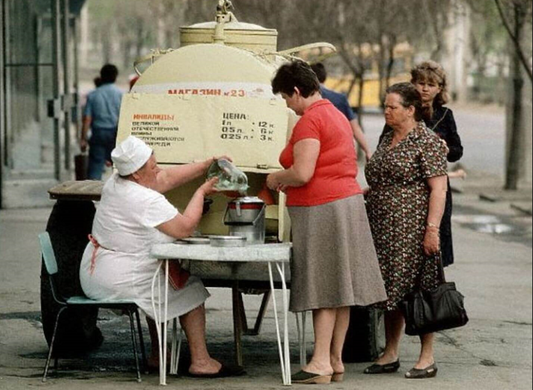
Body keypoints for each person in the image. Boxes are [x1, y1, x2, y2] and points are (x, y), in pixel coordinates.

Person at [79, 136, 244, 378]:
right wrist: (201, 192)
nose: (158, 171)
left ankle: (159, 355)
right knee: (190, 288)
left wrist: (207, 163)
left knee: (158, 287)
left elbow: (165, 178)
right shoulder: (144, 199)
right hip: (117, 278)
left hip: (96, 272)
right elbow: (185, 228)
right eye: (153, 167)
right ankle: (201, 361)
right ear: (136, 173)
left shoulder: (116, 182)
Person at [266, 60, 387, 385]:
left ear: (296, 90)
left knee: (322, 286)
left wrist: (277, 177)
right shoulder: (335, 113)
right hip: (346, 203)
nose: (287, 106)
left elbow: (303, 172)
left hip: (321, 208)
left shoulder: (310, 121)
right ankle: (335, 359)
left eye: (286, 98)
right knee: (340, 287)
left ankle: (319, 361)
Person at [364, 82, 448, 379]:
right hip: (382, 227)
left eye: (392, 107)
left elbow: (439, 189)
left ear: (410, 110)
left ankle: (427, 357)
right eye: (385, 106)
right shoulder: (387, 137)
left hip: (412, 229)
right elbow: (379, 178)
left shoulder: (427, 141)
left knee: (419, 290)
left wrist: (432, 230)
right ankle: (390, 351)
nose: (386, 111)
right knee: (389, 291)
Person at [378, 61, 463, 267]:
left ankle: (431, 293)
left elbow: (457, 152)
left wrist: (445, 148)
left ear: (439, 88)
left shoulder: (445, 115)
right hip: (403, 190)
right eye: (421, 83)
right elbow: (383, 145)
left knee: (433, 249)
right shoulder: (400, 111)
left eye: (431, 84)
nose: (425, 89)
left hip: (435, 185)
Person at [310, 62, 372, 160]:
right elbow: (355, 128)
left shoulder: (304, 97)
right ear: (324, 77)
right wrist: (367, 151)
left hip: (314, 151)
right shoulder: (340, 98)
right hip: (338, 152)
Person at [80, 64, 124, 180]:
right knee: (119, 167)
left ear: (102, 76)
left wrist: (83, 139)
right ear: (115, 76)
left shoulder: (93, 95)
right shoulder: (121, 95)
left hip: (98, 133)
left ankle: (94, 194)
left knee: (95, 166)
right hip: (115, 134)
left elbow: (87, 119)